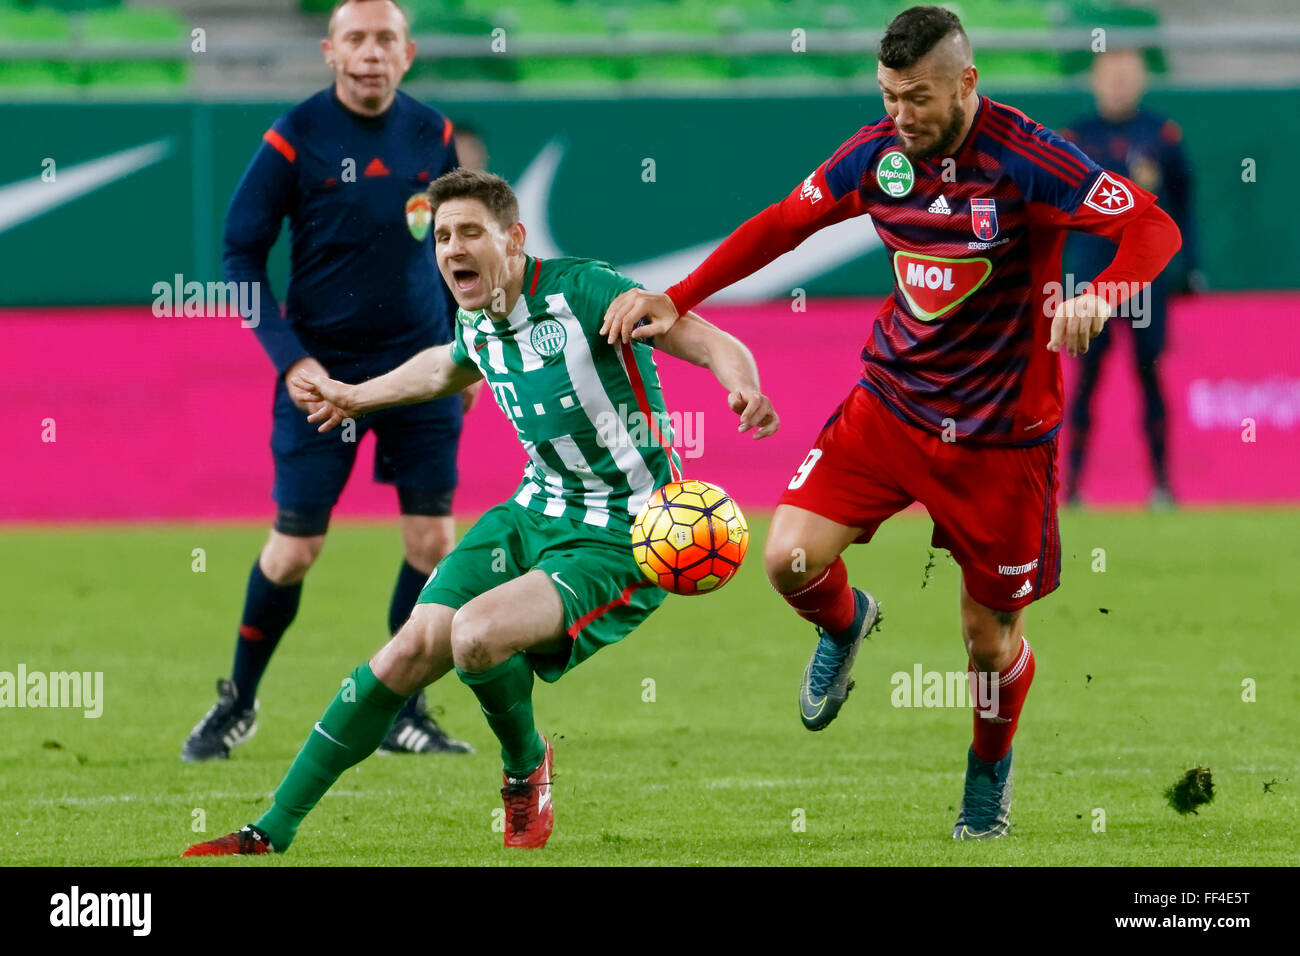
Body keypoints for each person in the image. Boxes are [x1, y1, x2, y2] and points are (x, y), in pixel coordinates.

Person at [601, 5, 1181, 839]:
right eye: (888, 95)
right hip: (892, 406)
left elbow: (1150, 227)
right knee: (788, 559)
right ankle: (846, 624)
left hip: (999, 440)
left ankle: (987, 778)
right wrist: (679, 295)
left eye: (917, 97)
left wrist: (1100, 295)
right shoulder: (879, 155)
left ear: (966, 83)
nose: (900, 115)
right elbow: (782, 223)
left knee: (988, 645)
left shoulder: (1030, 158)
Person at [182, 168, 779, 855]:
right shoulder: (479, 316)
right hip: (531, 512)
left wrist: (743, 387)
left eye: (470, 232)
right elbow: (446, 366)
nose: (452, 249)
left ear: (515, 238)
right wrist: (356, 395)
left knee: (475, 638)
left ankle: (526, 766)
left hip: (625, 530)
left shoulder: (586, 291)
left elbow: (706, 339)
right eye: (441, 236)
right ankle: (270, 830)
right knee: (409, 649)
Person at [182, 0, 473, 761]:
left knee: (433, 540)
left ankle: (404, 710)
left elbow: (456, 250)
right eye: (356, 38)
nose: (371, 52)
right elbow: (239, 256)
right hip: (321, 378)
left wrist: (466, 348)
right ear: (329, 50)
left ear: (407, 53)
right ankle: (238, 703)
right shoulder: (293, 137)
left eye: (385, 39)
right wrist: (292, 360)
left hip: (418, 369)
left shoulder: (433, 134)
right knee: (294, 549)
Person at [1061, 48, 1201, 509]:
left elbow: (1184, 203)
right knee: (1084, 382)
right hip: (1089, 283)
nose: (1118, 84)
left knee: (1151, 378)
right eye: (1110, 76)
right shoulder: (1074, 139)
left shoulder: (1162, 135)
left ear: (1141, 81)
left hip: (1145, 282)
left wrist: (1191, 267)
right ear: (1095, 81)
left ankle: (1161, 485)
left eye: (1127, 76)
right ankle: (1071, 488)